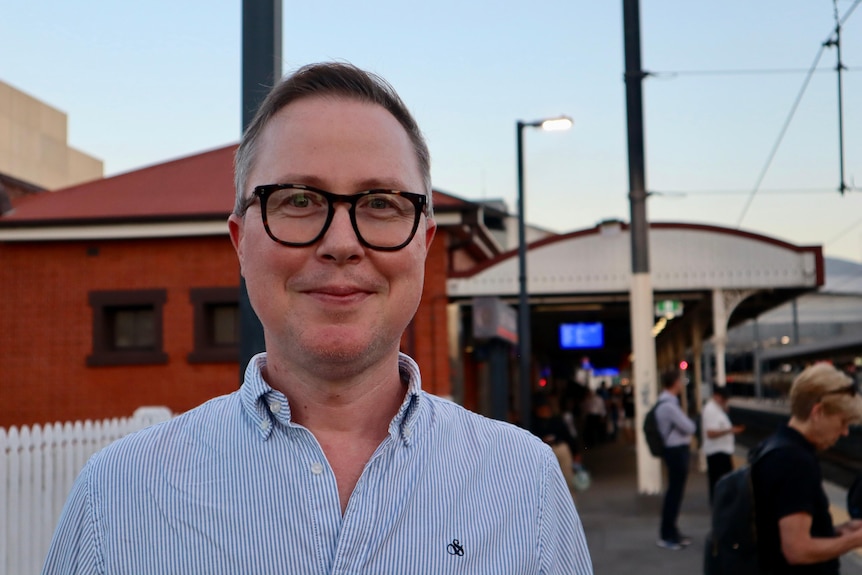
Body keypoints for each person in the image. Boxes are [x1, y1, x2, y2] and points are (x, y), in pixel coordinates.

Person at [41, 62, 592, 574]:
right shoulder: (117, 498)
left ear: (423, 245)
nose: (340, 244)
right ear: (241, 241)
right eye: (299, 200)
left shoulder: (524, 486)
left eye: (380, 203)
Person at [752, 362, 862, 574]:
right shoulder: (794, 461)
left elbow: (780, 530)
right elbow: (797, 550)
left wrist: (839, 531)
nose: (845, 432)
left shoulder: (774, 446)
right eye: (842, 422)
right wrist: (853, 540)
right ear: (818, 412)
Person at [654, 369, 697, 551]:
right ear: (674, 383)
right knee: (674, 494)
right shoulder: (668, 406)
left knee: (675, 493)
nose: (682, 384)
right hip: (675, 452)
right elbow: (689, 427)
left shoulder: (665, 402)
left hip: (674, 451)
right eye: (680, 381)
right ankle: (667, 535)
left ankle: (672, 531)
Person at [701, 386, 745, 503]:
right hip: (717, 451)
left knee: (721, 482)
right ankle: (720, 504)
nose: (725, 401)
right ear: (716, 396)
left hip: (722, 450)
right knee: (720, 482)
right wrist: (730, 430)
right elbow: (710, 433)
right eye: (723, 398)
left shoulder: (717, 409)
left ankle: (720, 503)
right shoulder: (710, 410)